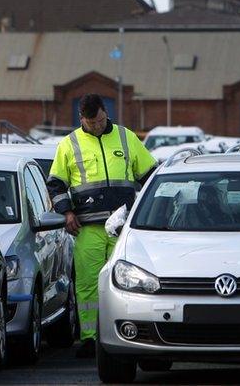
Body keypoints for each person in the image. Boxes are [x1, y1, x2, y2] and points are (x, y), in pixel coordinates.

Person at [47, 94, 157, 358]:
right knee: (87, 284)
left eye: (99, 120)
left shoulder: (126, 137)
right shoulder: (69, 144)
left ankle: (132, 334)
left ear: (105, 113)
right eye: (91, 122)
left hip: (124, 229)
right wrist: (67, 212)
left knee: (131, 283)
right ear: (81, 118)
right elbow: (56, 184)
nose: (96, 126)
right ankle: (89, 338)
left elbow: (151, 175)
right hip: (89, 228)